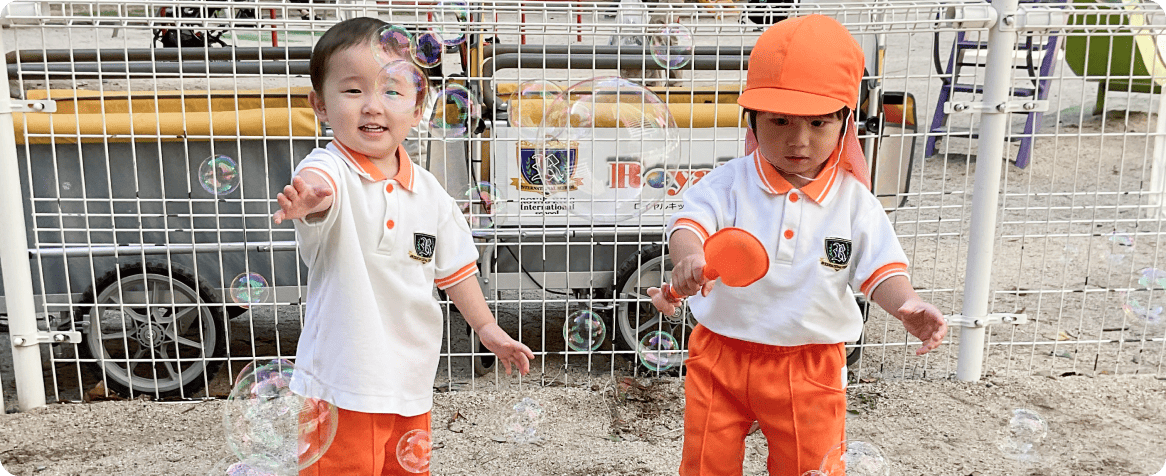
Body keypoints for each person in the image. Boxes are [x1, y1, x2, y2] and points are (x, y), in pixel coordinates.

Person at [645, 14, 948, 476]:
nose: (798, 140)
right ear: (751, 118)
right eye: (780, 120)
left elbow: (881, 268)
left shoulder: (853, 202)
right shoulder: (730, 182)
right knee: (706, 462)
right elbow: (691, 221)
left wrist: (905, 303)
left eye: (818, 123)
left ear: (846, 123)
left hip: (810, 363)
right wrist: (689, 254)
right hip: (720, 352)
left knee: (810, 465)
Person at [271, 17, 534, 475]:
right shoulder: (330, 168)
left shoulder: (430, 193)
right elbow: (318, 187)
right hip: (340, 385)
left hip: (410, 382)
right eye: (353, 91)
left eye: (392, 91)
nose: (373, 106)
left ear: (417, 109)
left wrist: (488, 329)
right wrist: (309, 199)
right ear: (321, 106)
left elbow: (456, 270)